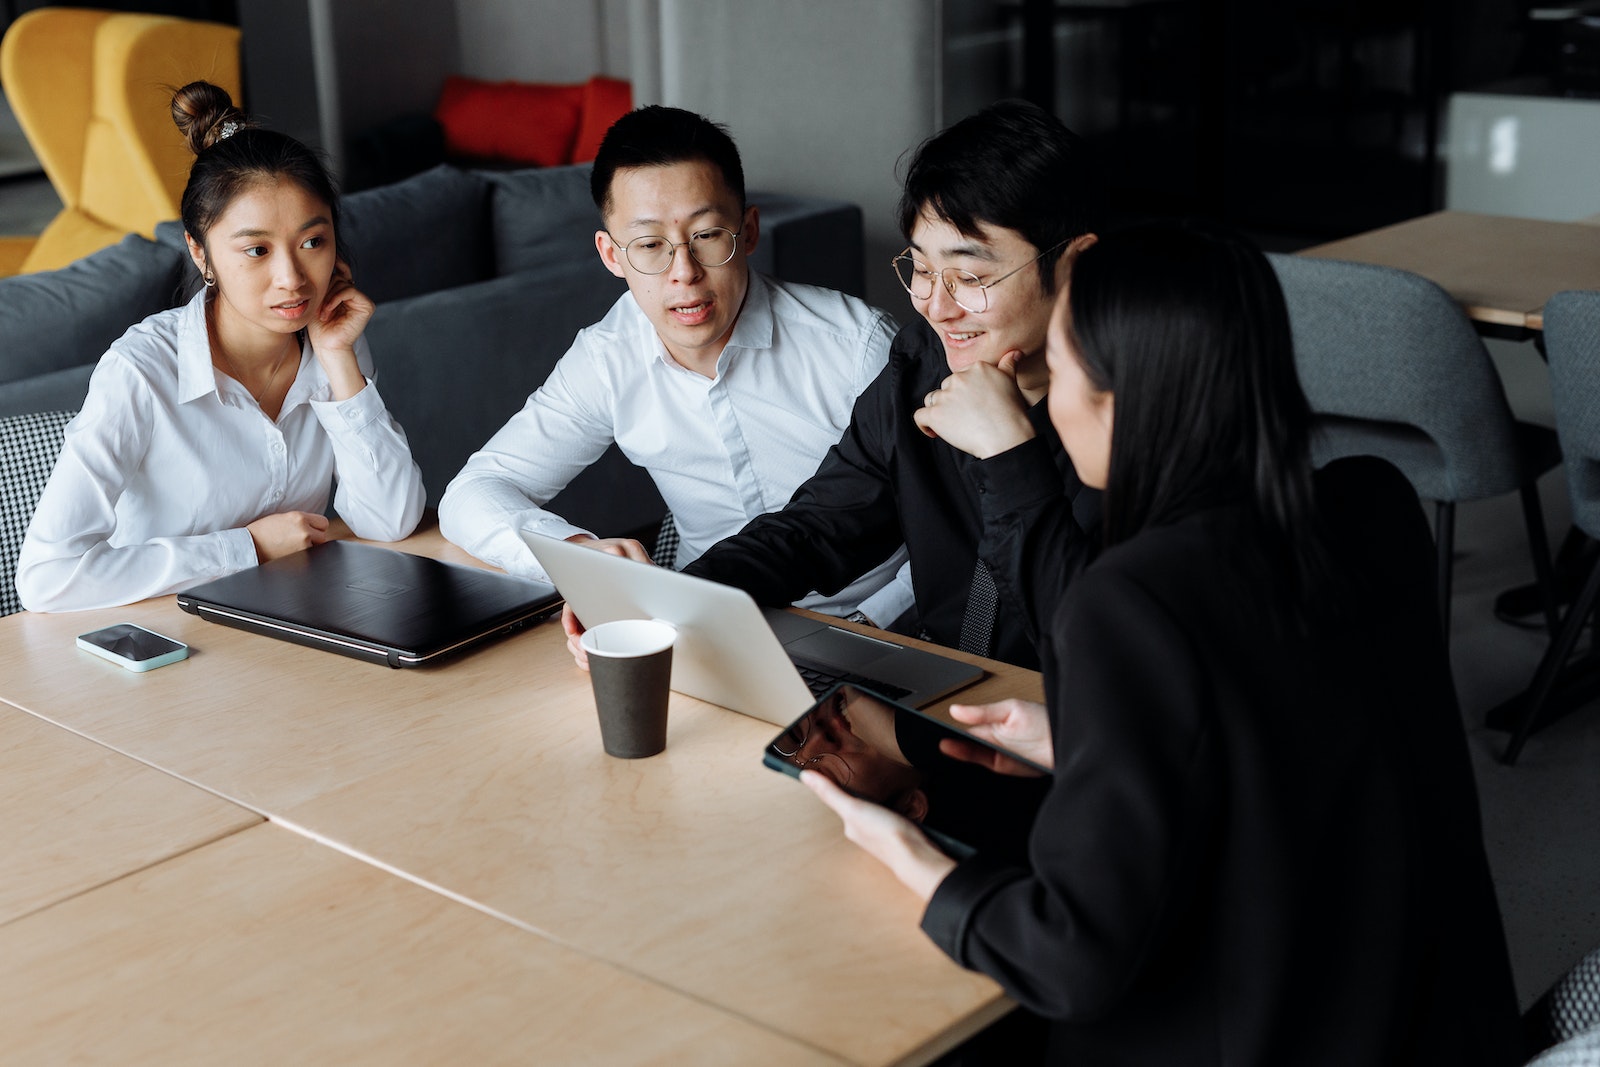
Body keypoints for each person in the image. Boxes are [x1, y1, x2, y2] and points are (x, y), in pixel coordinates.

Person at [802, 224, 1525, 1064]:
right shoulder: (1372, 504)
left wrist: (909, 853)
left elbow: (1072, 959)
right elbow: (1301, 746)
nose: (1047, 401)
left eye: (1060, 374)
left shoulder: (1134, 596)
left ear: (1123, 400)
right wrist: (1083, 736)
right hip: (1436, 1023)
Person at [438, 105, 912, 629]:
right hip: (699, 621)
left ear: (748, 231)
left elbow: (948, 520)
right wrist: (578, 554)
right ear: (611, 255)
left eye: (708, 236)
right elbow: (474, 491)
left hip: (870, 619)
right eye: (649, 245)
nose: (683, 273)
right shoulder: (607, 358)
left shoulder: (858, 345)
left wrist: (875, 624)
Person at [683, 99, 1101, 670]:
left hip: (1067, 731)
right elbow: (820, 528)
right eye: (923, 270)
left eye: (971, 277)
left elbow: (1095, 651)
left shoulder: (1138, 409)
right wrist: (681, 601)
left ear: (1075, 264)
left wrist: (1011, 455)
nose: (936, 306)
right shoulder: (922, 363)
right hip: (938, 696)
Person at [15, 82, 425, 612]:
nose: (292, 279)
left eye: (312, 242)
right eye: (256, 249)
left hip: (292, 625)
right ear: (200, 252)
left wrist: (340, 360)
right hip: (163, 645)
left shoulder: (332, 340)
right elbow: (48, 577)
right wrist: (247, 548)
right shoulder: (140, 370)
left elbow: (390, 521)